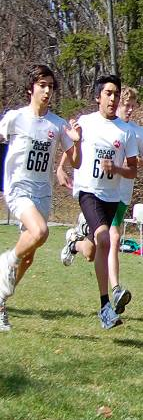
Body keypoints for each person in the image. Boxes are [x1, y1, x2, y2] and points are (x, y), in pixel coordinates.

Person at [0, 65, 82, 332]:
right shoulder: (15, 118)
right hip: (18, 188)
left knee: (30, 257)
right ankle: (7, 260)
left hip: (42, 193)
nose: (47, 91)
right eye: (42, 85)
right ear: (31, 88)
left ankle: (1, 302)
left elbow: (77, 161)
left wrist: (77, 142)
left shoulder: (57, 125)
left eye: (50, 86)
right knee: (40, 232)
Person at [59, 75, 139, 329]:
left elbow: (133, 170)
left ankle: (74, 243)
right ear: (98, 97)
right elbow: (75, 156)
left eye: (116, 93)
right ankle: (105, 307)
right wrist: (63, 165)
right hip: (88, 191)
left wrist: (116, 167)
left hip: (111, 196)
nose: (113, 99)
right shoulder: (86, 122)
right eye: (108, 93)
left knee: (94, 249)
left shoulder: (126, 131)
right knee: (105, 239)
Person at [106, 87, 143, 316]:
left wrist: (132, 164)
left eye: (133, 105)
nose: (129, 109)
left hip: (122, 194)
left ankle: (78, 236)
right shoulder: (106, 127)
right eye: (126, 105)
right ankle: (115, 288)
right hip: (101, 191)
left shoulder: (137, 132)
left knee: (94, 248)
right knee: (113, 238)